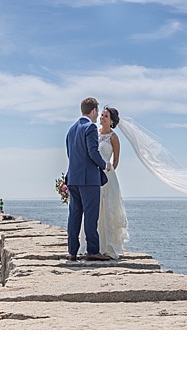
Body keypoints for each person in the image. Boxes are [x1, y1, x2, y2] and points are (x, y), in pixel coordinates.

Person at [78, 106, 129, 259]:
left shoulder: (113, 138)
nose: (102, 118)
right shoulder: (94, 132)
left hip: (107, 176)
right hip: (91, 175)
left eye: (106, 116)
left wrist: (108, 172)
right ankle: (90, 245)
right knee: (93, 210)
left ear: (112, 121)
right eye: (101, 115)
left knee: (107, 209)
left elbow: (116, 161)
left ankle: (107, 246)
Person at [65, 97, 112, 262]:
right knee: (91, 216)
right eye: (97, 111)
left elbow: (71, 154)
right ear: (93, 111)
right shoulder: (90, 127)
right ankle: (92, 250)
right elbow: (93, 151)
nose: (97, 115)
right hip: (88, 179)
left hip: (73, 178)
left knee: (74, 215)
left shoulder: (71, 129)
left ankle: (72, 251)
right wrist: (104, 165)